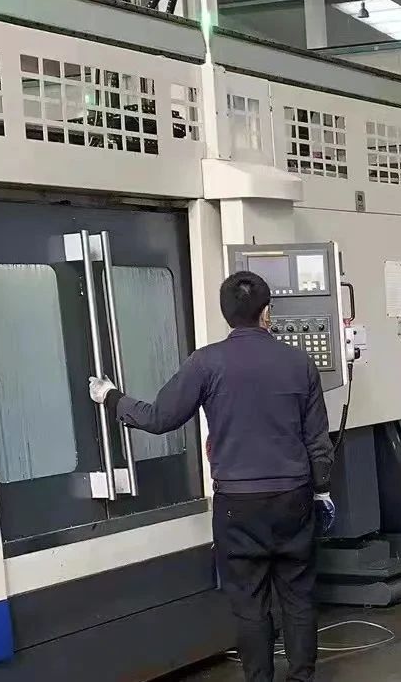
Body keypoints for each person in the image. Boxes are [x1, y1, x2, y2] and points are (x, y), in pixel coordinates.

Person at [88, 272, 334, 682]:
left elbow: (159, 417)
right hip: (293, 498)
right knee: (298, 597)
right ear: (267, 312)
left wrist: (110, 397)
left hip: (237, 506)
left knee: (249, 604)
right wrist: (321, 490)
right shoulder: (299, 363)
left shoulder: (206, 363)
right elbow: (318, 441)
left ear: (226, 314)